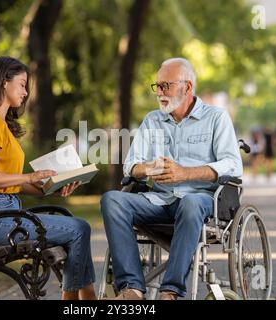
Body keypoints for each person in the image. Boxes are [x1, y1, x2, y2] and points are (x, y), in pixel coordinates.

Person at [100, 58, 242, 300]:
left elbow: (233, 165)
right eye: (157, 86)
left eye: (166, 85)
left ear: (187, 87)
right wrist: (148, 169)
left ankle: (170, 291)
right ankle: (132, 288)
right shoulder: (152, 121)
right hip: (160, 200)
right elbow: (130, 166)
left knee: (191, 202)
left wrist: (185, 173)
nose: (160, 92)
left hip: (202, 201)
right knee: (112, 200)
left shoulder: (216, 118)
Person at [0, 56, 96, 300]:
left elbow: (11, 183)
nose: (25, 92)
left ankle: (85, 300)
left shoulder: (0, 124)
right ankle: (78, 301)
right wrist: (30, 175)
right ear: (4, 82)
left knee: (78, 228)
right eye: (22, 84)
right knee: (78, 229)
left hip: (5, 215)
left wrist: (51, 189)